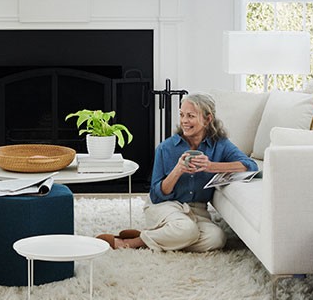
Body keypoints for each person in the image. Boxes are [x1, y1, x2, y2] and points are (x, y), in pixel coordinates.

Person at [98, 93, 257, 251]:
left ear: (207, 119)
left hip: (198, 209)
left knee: (217, 239)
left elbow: (250, 165)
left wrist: (211, 166)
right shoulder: (166, 148)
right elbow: (156, 194)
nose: (184, 121)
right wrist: (178, 170)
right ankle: (131, 243)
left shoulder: (220, 145)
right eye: (181, 115)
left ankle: (158, 236)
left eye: (191, 116)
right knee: (187, 230)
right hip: (165, 205)